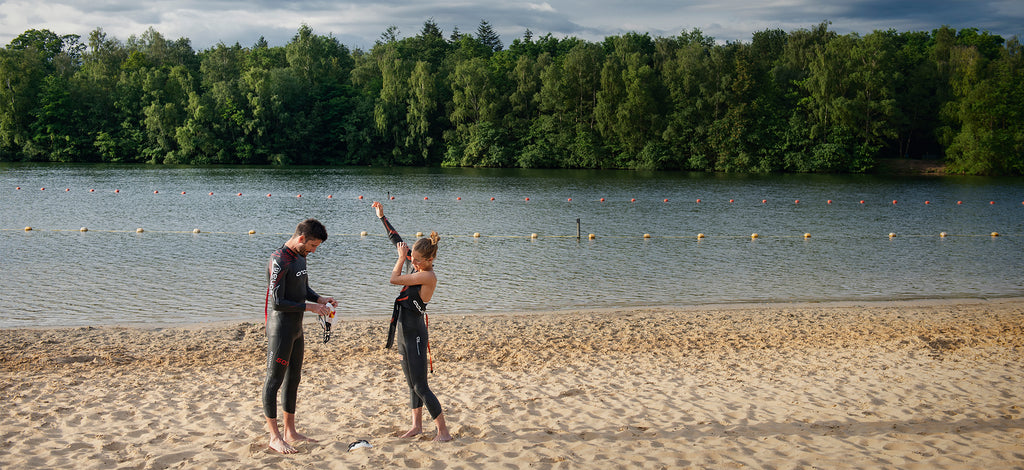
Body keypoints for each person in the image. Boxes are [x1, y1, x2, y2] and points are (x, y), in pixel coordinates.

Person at [372, 201, 452, 442]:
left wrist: (400, 259)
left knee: (421, 385)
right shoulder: (418, 265)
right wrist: (382, 217)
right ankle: (417, 426)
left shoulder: (427, 276)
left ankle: (443, 432)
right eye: (411, 258)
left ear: (428, 260)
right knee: (410, 383)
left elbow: (394, 278)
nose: (412, 262)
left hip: (416, 333)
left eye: (416, 260)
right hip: (402, 332)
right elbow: (397, 240)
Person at [263, 218, 337, 454]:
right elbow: (277, 302)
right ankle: (274, 437)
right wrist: (309, 308)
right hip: (280, 328)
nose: (314, 251)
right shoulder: (279, 259)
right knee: (274, 381)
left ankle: (290, 431)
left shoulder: (300, 257)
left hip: (296, 327)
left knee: (294, 378)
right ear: (302, 238)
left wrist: (318, 299)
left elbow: (302, 288)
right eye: (313, 246)